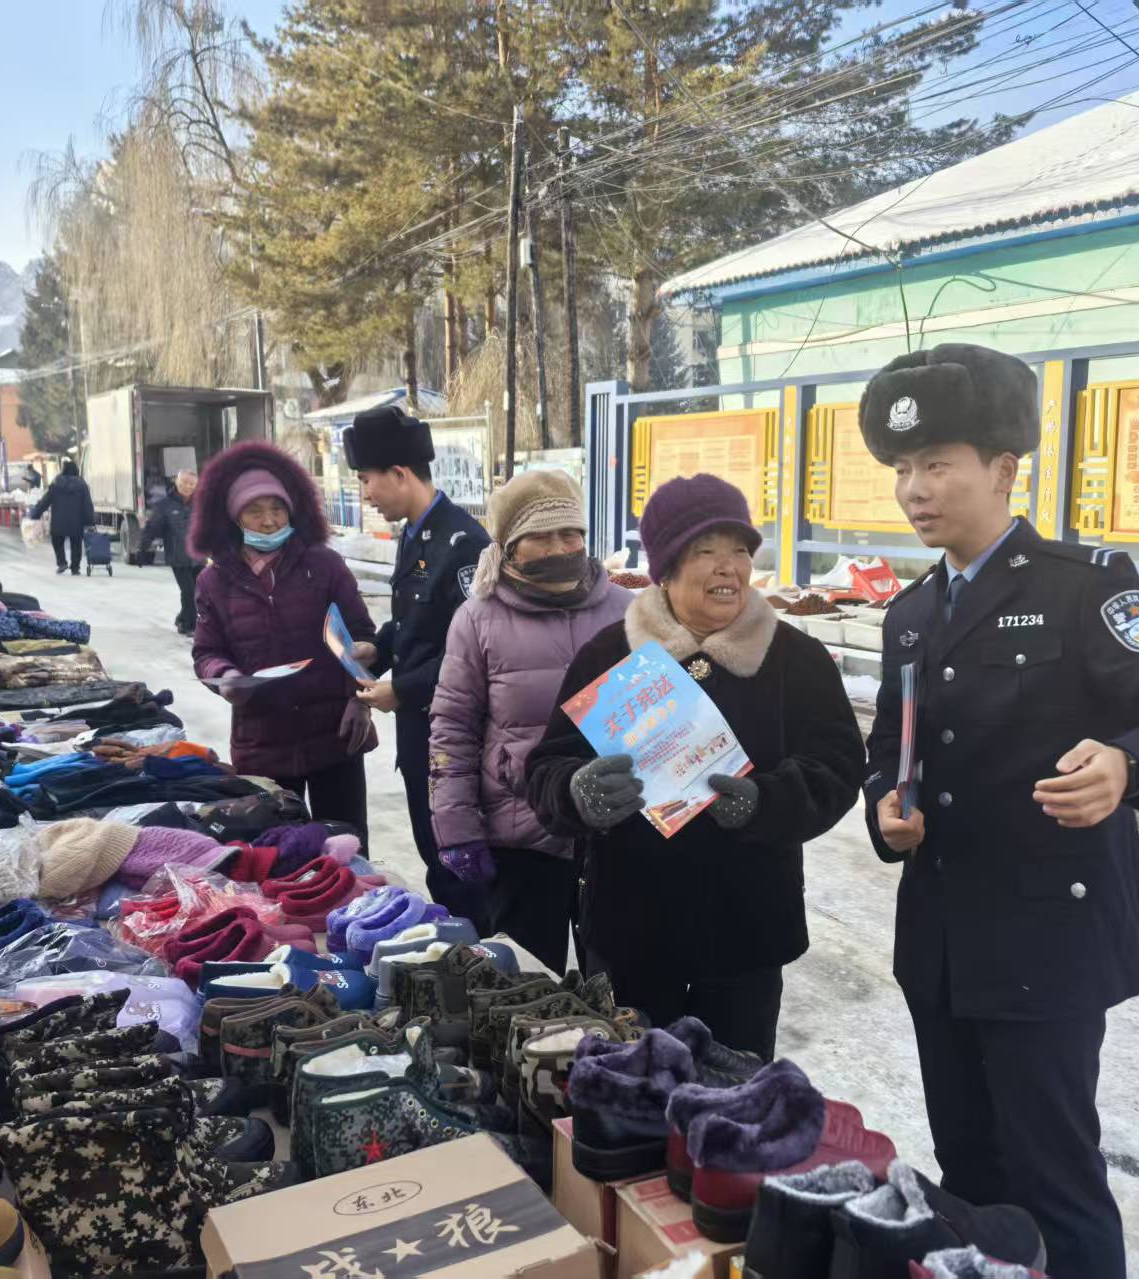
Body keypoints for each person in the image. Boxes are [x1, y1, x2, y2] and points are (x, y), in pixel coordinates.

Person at [856, 345, 1139, 1279]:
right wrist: (885, 810)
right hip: (941, 945)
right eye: (902, 469)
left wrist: (1129, 761)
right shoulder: (910, 614)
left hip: (1045, 943)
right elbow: (887, 755)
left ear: (1003, 469)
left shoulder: (1083, 585)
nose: (914, 489)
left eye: (936, 463)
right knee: (970, 1174)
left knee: (1055, 1180)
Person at [525, 474, 865, 1058]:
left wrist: (767, 801)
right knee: (631, 1085)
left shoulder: (797, 659)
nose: (728, 567)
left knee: (736, 1090)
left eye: (740, 550)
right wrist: (577, 792)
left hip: (746, 933)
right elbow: (547, 766)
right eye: (705, 550)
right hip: (632, 929)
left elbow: (837, 767)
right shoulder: (611, 655)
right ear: (665, 568)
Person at [428, 471, 631, 971]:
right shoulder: (478, 619)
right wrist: (456, 828)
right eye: (540, 536)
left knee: (618, 984)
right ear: (510, 547)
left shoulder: (630, 612)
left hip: (614, 834)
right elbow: (452, 730)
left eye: (570, 533)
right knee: (528, 986)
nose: (558, 547)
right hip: (522, 836)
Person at [342, 404, 489, 916]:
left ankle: (477, 952)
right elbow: (418, 623)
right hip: (418, 739)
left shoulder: (464, 544)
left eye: (367, 480)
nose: (366, 494)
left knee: (459, 868)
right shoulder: (415, 532)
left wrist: (402, 690)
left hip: (451, 740)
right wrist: (378, 651)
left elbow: (474, 652)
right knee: (433, 855)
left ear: (400, 474)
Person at [189, 441, 378, 827]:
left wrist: (361, 700)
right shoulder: (214, 580)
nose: (269, 521)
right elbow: (206, 652)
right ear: (234, 517)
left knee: (346, 845)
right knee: (277, 851)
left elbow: (362, 635)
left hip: (334, 736)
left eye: (277, 508)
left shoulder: (324, 565)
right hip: (261, 743)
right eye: (255, 511)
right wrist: (226, 677)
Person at [137, 468, 201, 635]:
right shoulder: (165, 505)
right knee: (188, 591)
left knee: (199, 592)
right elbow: (151, 528)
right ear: (177, 482)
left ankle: (183, 618)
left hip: (199, 556)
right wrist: (142, 549)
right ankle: (188, 625)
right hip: (178, 556)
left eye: (191, 484)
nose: (187, 486)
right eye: (184, 482)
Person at [30, 460, 94, 575]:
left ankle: (62, 562)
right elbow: (87, 504)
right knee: (76, 544)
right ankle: (75, 567)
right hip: (76, 521)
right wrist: (90, 521)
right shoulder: (82, 484)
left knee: (57, 541)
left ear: (63, 470)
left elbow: (45, 501)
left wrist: (35, 514)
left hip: (58, 521)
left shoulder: (56, 483)